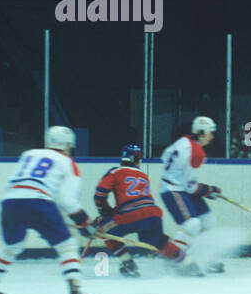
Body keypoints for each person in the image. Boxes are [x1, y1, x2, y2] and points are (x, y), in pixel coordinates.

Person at [0, 125, 99, 294]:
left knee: (11, 245)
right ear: (68, 145)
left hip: (10, 202)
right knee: (67, 246)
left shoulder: (28, 154)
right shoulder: (68, 162)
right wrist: (85, 223)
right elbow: (68, 201)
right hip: (40, 203)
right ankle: (76, 292)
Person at [91, 144, 189, 276]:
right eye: (139, 156)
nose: (140, 159)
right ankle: (187, 263)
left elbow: (100, 195)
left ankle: (128, 265)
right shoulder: (142, 174)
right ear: (134, 158)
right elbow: (135, 200)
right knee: (157, 241)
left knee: (102, 231)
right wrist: (111, 212)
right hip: (153, 214)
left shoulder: (115, 172)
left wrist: (104, 213)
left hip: (130, 215)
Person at [158, 116, 223, 275]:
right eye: (210, 133)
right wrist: (210, 190)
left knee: (208, 219)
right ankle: (173, 257)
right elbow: (191, 188)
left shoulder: (184, 141)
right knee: (192, 224)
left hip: (180, 186)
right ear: (202, 132)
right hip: (172, 189)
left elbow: (164, 156)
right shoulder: (197, 152)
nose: (212, 137)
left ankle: (205, 258)